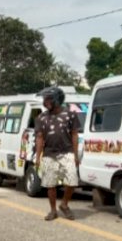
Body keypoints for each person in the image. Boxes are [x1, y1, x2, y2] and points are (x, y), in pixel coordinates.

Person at [35, 86, 81, 221]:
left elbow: (74, 135)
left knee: (72, 181)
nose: (45, 102)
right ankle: (53, 210)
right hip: (49, 154)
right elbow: (39, 138)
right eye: (44, 99)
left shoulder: (70, 115)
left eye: (48, 99)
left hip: (67, 152)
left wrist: (76, 155)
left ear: (58, 99)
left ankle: (64, 204)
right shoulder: (40, 118)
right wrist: (38, 157)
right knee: (50, 184)